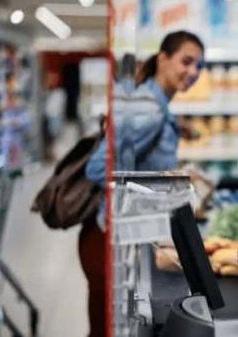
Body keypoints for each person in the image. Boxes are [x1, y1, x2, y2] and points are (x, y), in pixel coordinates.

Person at [82, 30, 204, 336]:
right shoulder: (148, 109)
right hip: (108, 240)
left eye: (198, 66)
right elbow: (97, 169)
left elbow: (132, 157)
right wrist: (166, 182)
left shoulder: (154, 103)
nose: (193, 72)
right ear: (163, 58)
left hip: (122, 239)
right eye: (186, 62)